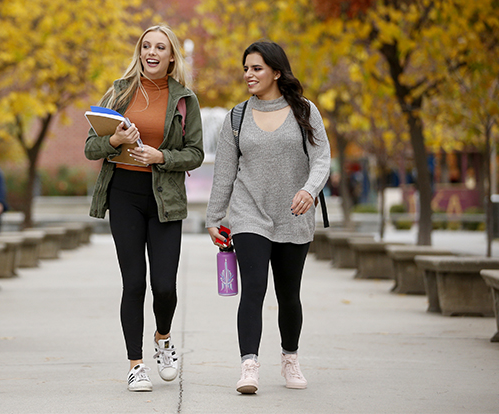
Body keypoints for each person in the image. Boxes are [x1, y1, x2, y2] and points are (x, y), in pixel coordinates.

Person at [205, 41, 330, 394]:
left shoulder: (305, 110)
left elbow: (322, 158)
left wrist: (309, 189)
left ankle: (290, 359)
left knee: (289, 294)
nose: (248, 74)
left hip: (294, 213)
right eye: (246, 68)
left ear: (276, 71)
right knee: (254, 289)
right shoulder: (237, 116)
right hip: (249, 214)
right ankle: (249, 366)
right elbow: (225, 171)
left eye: (256, 68)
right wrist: (214, 216)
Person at [84, 24, 204, 392]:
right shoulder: (118, 93)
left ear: (171, 57)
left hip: (165, 198)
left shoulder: (185, 99)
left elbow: (196, 153)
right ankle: (136, 364)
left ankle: (163, 338)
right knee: (134, 283)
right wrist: (114, 139)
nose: (151, 52)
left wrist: (161, 156)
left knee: (164, 286)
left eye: (160, 47)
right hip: (124, 193)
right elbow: (91, 147)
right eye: (146, 46)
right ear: (140, 52)